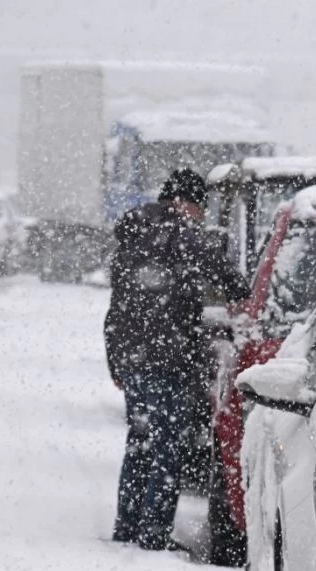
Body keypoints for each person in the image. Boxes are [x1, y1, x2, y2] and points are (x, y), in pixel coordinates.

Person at [103, 168, 249, 551]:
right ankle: (152, 535)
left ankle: (127, 525)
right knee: (167, 448)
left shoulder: (132, 236)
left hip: (133, 358)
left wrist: (117, 363)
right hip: (170, 358)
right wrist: (240, 292)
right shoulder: (185, 235)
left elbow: (116, 308)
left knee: (140, 442)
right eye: (199, 207)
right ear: (188, 202)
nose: (201, 215)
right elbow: (231, 281)